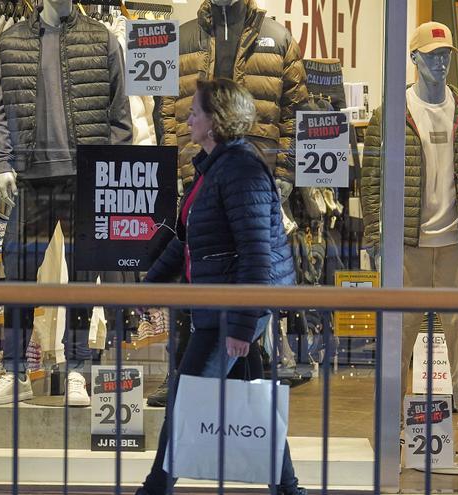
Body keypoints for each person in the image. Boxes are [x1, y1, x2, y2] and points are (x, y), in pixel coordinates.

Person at [135, 79, 306, 495]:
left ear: (216, 120)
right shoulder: (213, 165)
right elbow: (189, 239)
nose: (188, 117)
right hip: (220, 304)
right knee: (252, 404)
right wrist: (150, 285)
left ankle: (155, 489)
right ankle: (288, 489)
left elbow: (256, 252)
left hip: (229, 308)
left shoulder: (240, 169)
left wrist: (242, 325)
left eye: (195, 111)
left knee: (185, 401)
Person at [361, 22, 458, 473]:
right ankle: (390, 435)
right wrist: (376, 237)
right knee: (396, 344)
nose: (441, 63)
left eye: (447, 56)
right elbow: (371, 182)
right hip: (407, 247)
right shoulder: (390, 114)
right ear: (415, 59)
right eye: (433, 55)